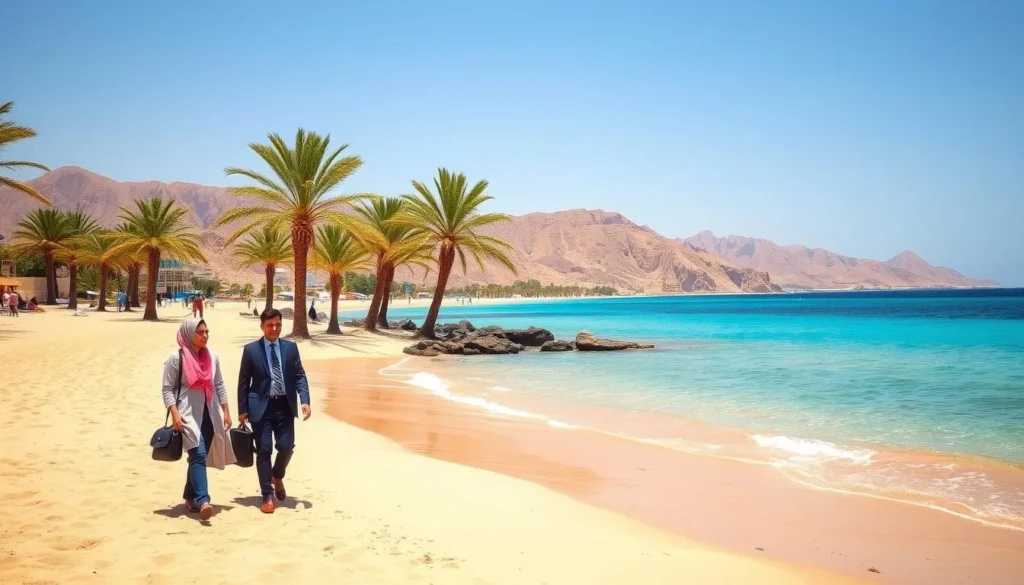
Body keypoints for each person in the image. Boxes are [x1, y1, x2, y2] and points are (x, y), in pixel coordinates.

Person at [237, 308, 310, 514]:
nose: (274, 328)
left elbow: (299, 375)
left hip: (285, 405)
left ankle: (277, 475)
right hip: (260, 407)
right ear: (262, 326)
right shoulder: (251, 350)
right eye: (270, 325)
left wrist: (305, 400)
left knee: (286, 446)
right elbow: (243, 382)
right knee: (264, 450)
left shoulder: (290, 348)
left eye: (278, 324)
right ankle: (267, 495)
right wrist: (242, 409)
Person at [163, 319, 235, 520]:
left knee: (197, 456)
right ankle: (203, 500)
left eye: (207, 332)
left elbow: (219, 384)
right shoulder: (176, 359)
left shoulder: (212, 357)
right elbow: (167, 389)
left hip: (209, 413)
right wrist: (174, 413)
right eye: (200, 332)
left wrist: (226, 411)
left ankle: (189, 496)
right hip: (187, 413)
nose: (205, 336)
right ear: (188, 334)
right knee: (199, 453)